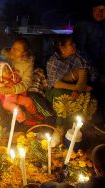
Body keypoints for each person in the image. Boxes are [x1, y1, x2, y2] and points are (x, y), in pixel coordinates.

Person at [45, 36, 97, 131]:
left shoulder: (78, 56)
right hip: (58, 87)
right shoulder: (53, 62)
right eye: (71, 44)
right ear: (62, 48)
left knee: (87, 96)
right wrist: (76, 88)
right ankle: (60, 127)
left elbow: (83, 73)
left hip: (78, 85)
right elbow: (56, 84)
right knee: (61, 98)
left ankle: (80, 128)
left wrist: (78, 89)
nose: (74, 45)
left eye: (73, 43)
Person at [0, 37, 43, 126]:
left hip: (18, 92)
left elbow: (26, 83)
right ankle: (23, 120)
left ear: (24, 53)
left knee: (28, 101)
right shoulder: (4, 57)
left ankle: (33, 113)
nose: (13, 51)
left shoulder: (27, 64)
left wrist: (13, 89)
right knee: (15, 108)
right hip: (5, 95)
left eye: (18, 50)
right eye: (13, 48)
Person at [73, 1, 105, 131]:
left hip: (101, 64)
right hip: (89, 67)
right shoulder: (84, 25)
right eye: (97, 9)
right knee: (98, 85)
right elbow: (79, 50)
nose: (100, 13)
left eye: (103, 10)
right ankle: (98, 121)